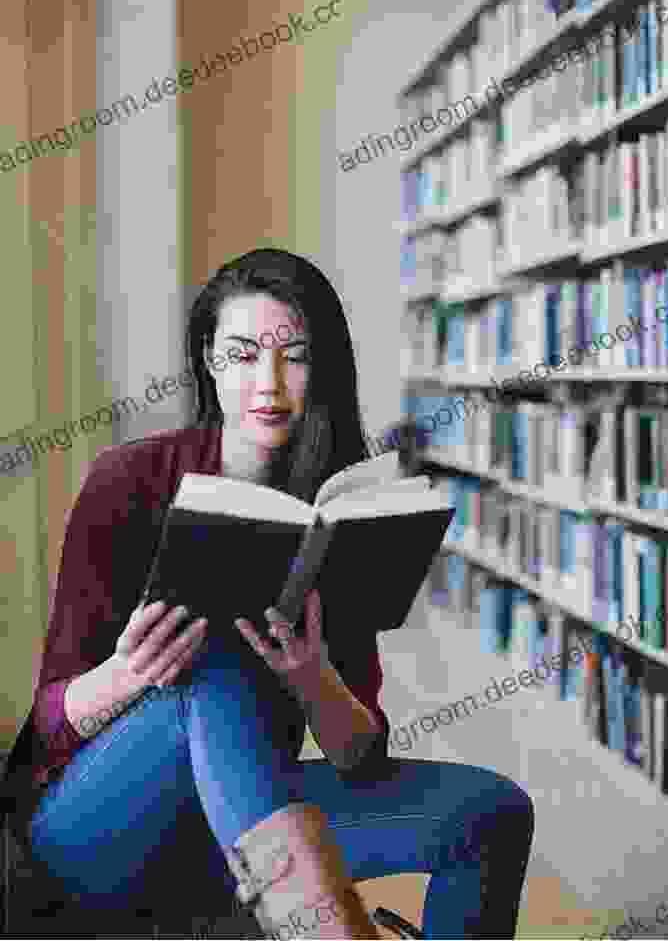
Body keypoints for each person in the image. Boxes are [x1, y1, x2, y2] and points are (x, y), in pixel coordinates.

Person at [16, 248, 534, 938]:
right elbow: (47, 724)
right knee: (216, 662)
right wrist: (128, 674)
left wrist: (313, 679)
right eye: (241, 354)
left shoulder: (335, 509)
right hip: (97, 825)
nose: (269, 382)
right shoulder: (127, 481)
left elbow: (360, 756)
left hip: (246, 824)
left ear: (321, 368)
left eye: (294, 355)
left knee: (494, 811)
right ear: (208, 359)